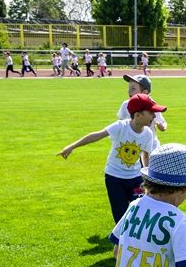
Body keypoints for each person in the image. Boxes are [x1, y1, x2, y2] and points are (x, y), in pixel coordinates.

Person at [59, 93, 165, 223]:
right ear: (138, 115)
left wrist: (148, 176)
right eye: (151, 113)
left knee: (139, 211)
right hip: (114, 178)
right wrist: (71, 147)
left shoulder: (148, 133)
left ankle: (136, 240)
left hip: (135, 178)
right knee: (120, 214)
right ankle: (120, 241)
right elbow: (97, 135)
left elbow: (145, 155)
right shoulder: (121, 126)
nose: (154, 116)